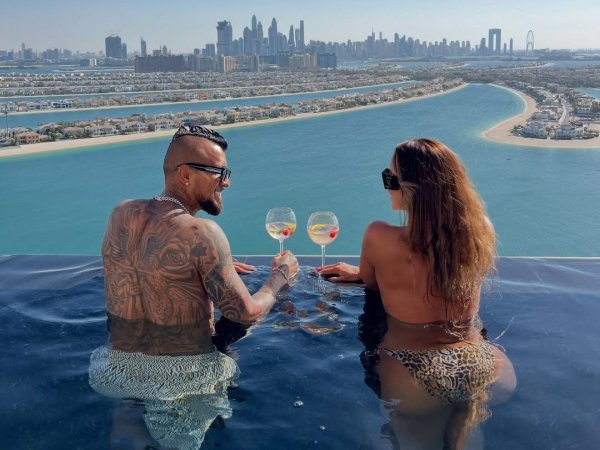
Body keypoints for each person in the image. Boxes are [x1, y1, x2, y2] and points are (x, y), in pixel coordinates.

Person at [90, 124, 298, 448]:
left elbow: (147, 267)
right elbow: (245, 313)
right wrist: (280, 277)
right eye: (219, 173)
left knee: (128, 440)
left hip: (114, 370)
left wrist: (213, 266)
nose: (227, 182)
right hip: (183, 380)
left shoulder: (121, 214)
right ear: (185, 175)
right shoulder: (202, 233)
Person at [318, 138, 516, 449]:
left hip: (412, 372)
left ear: (412, 189)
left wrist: (360, 272)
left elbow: (371, 283)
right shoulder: (481, 232)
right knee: (466, 436)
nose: (386, 185)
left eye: (390, 177)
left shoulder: (378, 236)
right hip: (483, 365)